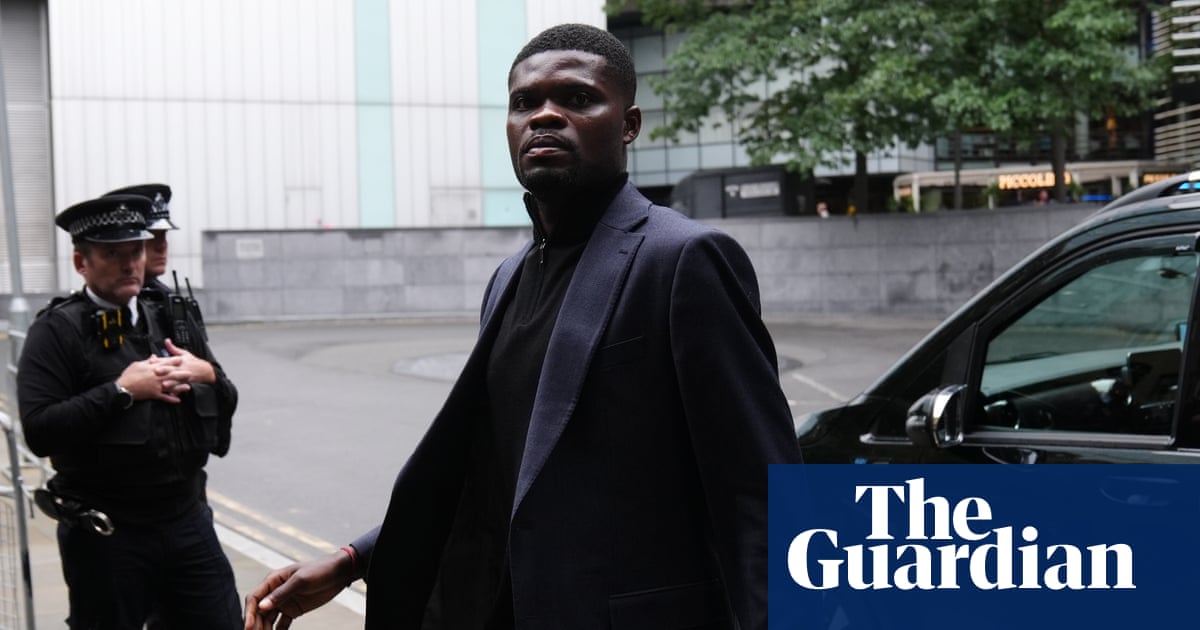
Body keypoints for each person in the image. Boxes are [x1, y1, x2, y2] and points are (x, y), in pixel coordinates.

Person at [244, 23, 801, 630]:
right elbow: (497, 474)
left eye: (578, 98)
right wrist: (354, 560)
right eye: (524, 103)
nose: (545, 116)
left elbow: (762, 490)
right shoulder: (508, 278)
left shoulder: (684, 258)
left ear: (629, 124)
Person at [16, 195, 241, 629]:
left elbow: (226, 394)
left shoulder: (170, 316)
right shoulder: (56, 331)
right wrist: (122, 391)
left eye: (135, 251)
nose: (129, 264)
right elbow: (40, 430)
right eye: (112, 254)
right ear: (81, 263)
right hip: (109, 534)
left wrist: (208, 373)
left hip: (186, 520)